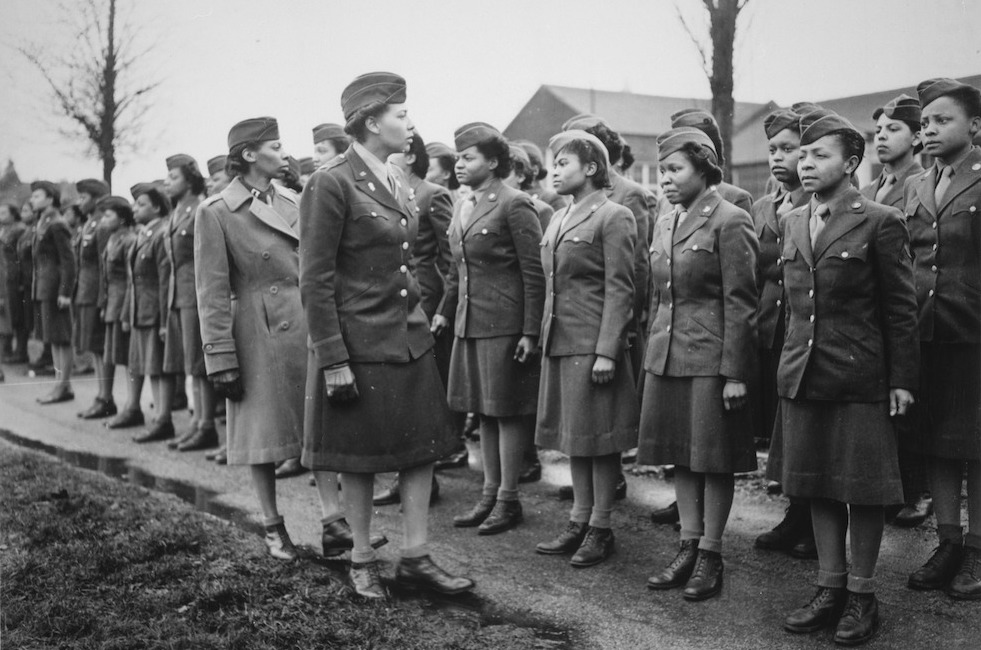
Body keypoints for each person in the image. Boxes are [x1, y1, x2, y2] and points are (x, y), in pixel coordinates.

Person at [299, 72, 473, 599]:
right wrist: (333, 358)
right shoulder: (330, 181)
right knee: (360, 456)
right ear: (372, 123)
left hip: (409, 337)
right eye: (401, 114)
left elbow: (408, 261)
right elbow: (316, 277)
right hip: (359, 343)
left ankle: (416, 558)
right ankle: (361, 559)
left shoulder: (397, 178)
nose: (411, 123)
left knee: (420, 450)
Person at [196, 116, 384, 562]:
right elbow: (211, 292)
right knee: (260, 434)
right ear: (248, 155)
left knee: (316, 423)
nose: (285, 153)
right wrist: (219, 357)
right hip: (254, 331)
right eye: (275, 146)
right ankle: (272, 525)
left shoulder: (293, 199)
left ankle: (333, 522)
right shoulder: (216, 211)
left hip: (305, 322)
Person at [773, 110, 918, 645]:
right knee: (816, 486)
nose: (805, 164)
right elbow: (793, 309)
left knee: (862, 490)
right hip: (804, 375)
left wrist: (902, 380)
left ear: (851, 163)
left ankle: (862, 595)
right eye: (802, 155)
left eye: (820, 156)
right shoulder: (792, 221)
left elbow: (901, 310)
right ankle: (829, 587)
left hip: (860, 376)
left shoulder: (880, 220)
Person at [639, 127, 758, 602]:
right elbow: (659, 298)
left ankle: (711, 553)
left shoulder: (730, 219)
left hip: (710, 359)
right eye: (662, 170)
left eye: (674, 169)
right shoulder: (665, 221)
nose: (665, 179)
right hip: (668, 357)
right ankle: (687, 544)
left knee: (713, 459)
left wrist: (735, 373)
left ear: (703, 168)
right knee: (681, 454)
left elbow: (742, 304)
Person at [431, 122, 545, 535]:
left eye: (469, 157)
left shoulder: (514, 204)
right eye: (458, 158)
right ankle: (491, 493)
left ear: (493, 162)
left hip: (504, 325)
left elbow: (535, 273)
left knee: (507, 413)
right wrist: (446, 311)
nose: (460, 165)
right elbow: (456, 270)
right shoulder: (466, 203)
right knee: (484, 412)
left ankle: (508, 499)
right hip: (470, 322)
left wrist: (530, 332)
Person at [534, 129, 638, 568]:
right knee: (575, 439)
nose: (554, 171)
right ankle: (579, 520)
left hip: (592, 344)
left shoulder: (614, 216)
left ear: (591, 168)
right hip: (560, 342)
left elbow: (621, 290)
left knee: (598, 440)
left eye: (563, 163)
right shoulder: (559, 217)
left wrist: (607, 351)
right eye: (553, 163)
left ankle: (601, 527)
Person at [905, 78, 981, 602]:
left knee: (976, 445)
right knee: (936, 441)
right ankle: (948, 541)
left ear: (974, 126)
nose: (929, 129)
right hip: (924, 333)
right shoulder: (914, 185)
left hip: (973, 334)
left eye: (942, 120)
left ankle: (978, 546)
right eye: (925, 122)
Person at [860, 94, 931, 529]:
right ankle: (890, 484)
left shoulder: (922, 183)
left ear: (918, 136)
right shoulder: (868, 190)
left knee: (911, 396)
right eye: (879, 130)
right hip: (875, 306)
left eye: (894, 129)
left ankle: (917, 487)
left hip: (915, 302)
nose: (882, 137)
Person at [751, 109, 817, 560]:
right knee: (784, 428)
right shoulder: (763, 206)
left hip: (804, 331)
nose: (778, 157)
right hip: (770, 329)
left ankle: (813, 522)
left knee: (807, 428)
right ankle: (797, 513)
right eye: (773, 149)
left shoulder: (814, 207)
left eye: (789, 148)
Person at [160, 154, 217, 452]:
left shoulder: (200, 209)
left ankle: (207, 425)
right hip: (180, 295)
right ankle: (197, 424)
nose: (168, 182)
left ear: (190, 179)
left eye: (174, 177)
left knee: (199, 361)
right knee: (190, 361)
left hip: (196, 294)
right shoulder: (178, 211)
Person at [107, 184, 171, 435]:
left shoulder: (160, 234)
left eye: (141, 204)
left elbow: (165, 280)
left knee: (157, 368)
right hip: (139, 311)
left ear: (157, 207)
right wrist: (127, 313)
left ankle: (163, 420)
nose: (135, 209)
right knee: (142, 365)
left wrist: (164, 320)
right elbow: (133, 282)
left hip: (154, 311)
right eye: (135, 204)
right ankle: (150, 416)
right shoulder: (145, 234)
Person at [71, 179, 115, 418]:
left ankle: (106, 397)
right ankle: (101, 396)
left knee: (100, 346)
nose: (79, 202)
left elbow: (103, 265)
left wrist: (102, 299)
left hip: (95, 293)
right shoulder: (89, 224)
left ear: (97, 199)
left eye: (83, 197)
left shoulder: (102, 226)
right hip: (85, 292)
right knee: (95, 348)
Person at [30, 180, 77, 404]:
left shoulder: (56, 223)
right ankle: (59, 384)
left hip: (55, 288)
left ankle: (64, 385)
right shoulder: (43, 221)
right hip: (45, 287)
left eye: (38, 196)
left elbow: (68, 261)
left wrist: (65, 292)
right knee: (54, 338)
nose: (33, 199)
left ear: (50, 198)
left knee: (62, 338)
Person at [97, 196, 137, 406]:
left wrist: (126, 312)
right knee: (110, 354)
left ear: (122, 219)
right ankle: (105, 398)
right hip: (112, 303)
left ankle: (132, 405)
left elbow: (131, 280)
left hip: (123, 304)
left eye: (108, 215)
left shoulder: (128, 240)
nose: (103, 219)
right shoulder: (112, 238)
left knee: (129, 357)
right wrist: (105, 305)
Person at [0, 203, 28, 364]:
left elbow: (21, 255)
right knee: (5, 314)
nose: (0, 215)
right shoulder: (4, 229)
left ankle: (20, 351)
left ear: (13, 214)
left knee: (17, 315)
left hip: (13, 275)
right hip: (4, 275)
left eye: (3, 212)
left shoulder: (19, 229)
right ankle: (6, 350)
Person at [515, 139, 567, 212]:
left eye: (520, 166)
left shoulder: (552, 199)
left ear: (535, 170)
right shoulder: (512, 197)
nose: (515, 171)